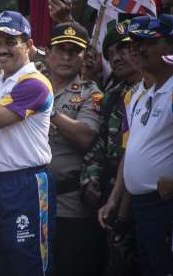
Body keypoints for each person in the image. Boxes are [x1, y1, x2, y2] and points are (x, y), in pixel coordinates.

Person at [0, 11, 55, 276]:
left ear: (28, 45)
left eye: (10, 41)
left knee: (27, 263)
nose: (1, 49)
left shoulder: (35, 83)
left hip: (24, 185)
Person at [82, 19, 144, 276]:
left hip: (146, 194)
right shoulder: (112, 95)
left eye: (123, 48)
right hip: (112, 194)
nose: (117, 57)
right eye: (110, 54)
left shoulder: (157, 87)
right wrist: (90, 177)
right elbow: (99, 143)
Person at [45, 22, 105, 276]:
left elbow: (85, 137)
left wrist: (48, 109)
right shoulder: (31, 85)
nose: (67, 56)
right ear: (48, 52)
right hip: (33, 201)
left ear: (84, 56)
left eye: (74, 51)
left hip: (71, 204)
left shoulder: (92, 93)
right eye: (61, 49)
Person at [122, 14, 173, 276]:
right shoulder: (141, 95)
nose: (140, 48)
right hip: (143, 207)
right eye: (138, 42)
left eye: (149, 42)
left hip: (165, 205)